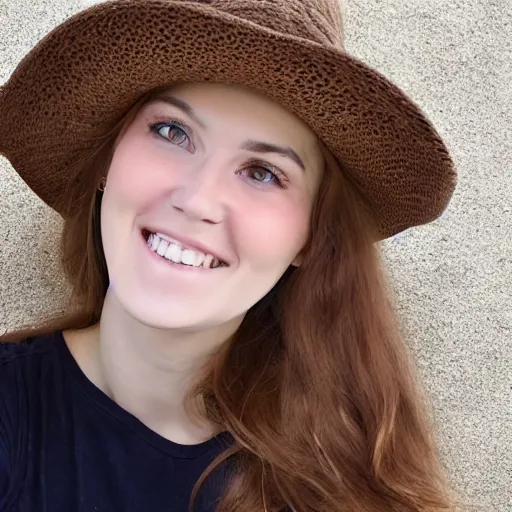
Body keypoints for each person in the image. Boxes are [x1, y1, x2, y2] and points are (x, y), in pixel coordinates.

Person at [0, 0, 464, 511]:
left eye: (262, 172)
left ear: (311, 240)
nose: (196, 200)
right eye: (172, 132)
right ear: (107, 163)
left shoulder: (350, 481)